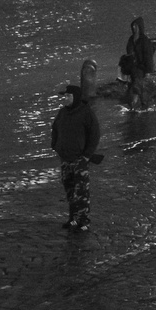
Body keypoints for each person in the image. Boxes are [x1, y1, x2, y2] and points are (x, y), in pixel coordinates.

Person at [52, 81, 102, 231]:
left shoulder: (86, 113)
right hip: (65, 159)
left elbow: (95, 135)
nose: (65, 98)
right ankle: (73, 219)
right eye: (65, 96)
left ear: (75, 97)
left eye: (68, 96)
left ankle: (84, 221)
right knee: (69, 191)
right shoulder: (62, 113)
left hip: (79, 159)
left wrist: (86, 156)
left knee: (81, 193)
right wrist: (55, 146)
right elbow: (55, 129)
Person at [122, 16, 155, 109]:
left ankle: (141, 105)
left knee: (138, 87)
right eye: (133, 26)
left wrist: (148, 71)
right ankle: (134, 104)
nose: (134, 28)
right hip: (132, 68)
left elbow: (148, 57)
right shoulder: (131, 39)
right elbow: (128, 54)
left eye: (136, 26)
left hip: (141, 68)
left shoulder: (144, 41)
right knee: (133, 86)